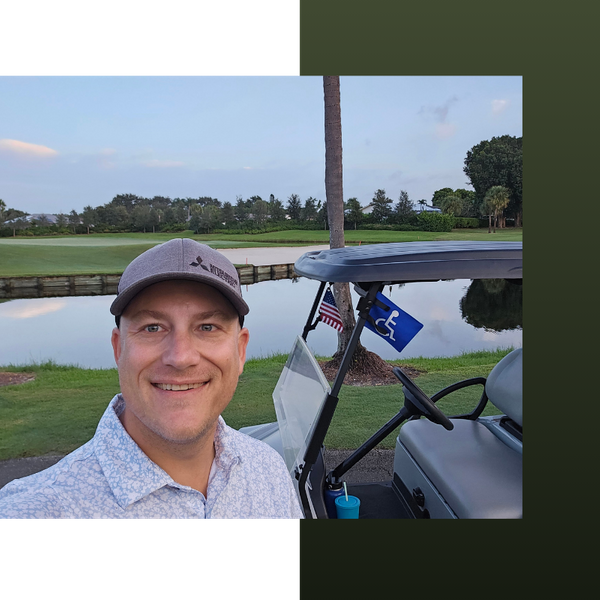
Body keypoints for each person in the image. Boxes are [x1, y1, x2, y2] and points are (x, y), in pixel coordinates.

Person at [0, 239, 304, 521]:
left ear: (240, 350)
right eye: (152, 328)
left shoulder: (269, 469)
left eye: (208, 327)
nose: (181, 357)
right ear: (119, 349)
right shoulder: (34, 510)